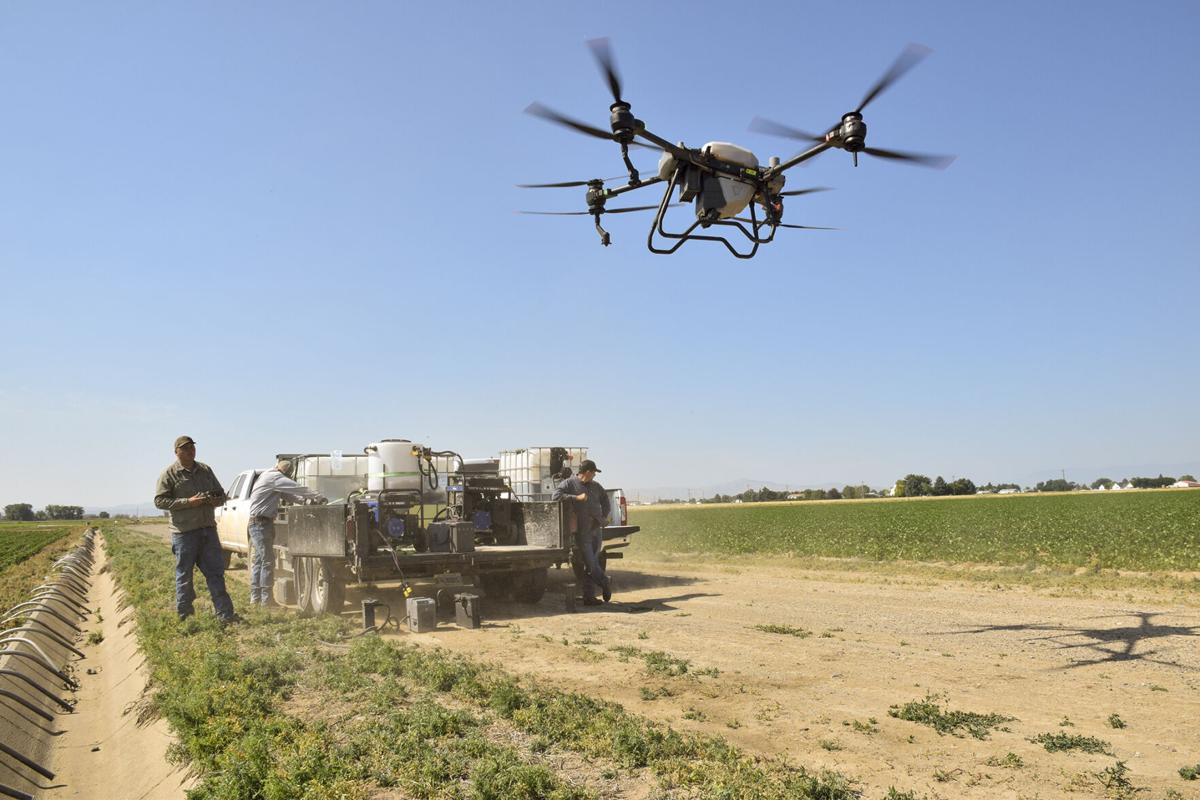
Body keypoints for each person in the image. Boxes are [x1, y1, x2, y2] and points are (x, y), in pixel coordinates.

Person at [153, 436, 238, 623]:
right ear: (176, 452)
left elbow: (221, 493)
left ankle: (225, 615)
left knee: (216, 573)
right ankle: (185, 617)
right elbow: (159, 501)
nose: (190, 451)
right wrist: (188, 502)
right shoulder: (169, 474)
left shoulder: (205, 470)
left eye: (192, 447)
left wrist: (216, 499)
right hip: (184, 533)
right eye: (185, 448)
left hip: (207, 529)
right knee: (184, 575)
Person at [246, 459, 325, 607]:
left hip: (260, 523)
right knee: (268, 561)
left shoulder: (268, 477)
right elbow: (297, 488)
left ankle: (255, 598)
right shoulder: (275, 477)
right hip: (261, 524)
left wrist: (306, 501)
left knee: (259, 561)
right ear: (287, 473)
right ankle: (266, 600)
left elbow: (289, 496)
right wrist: (318, 496)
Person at [554, 459, 611, 605]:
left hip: (596, 529)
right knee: (591, 563)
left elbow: (605, 500)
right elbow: (556, 496)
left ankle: (589, 597)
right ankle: (604, 581)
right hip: (582, 531)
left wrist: (604, 516)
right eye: (593, 473)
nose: (594, 476)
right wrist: (576, 498)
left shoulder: (596, 486)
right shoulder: (569, 483)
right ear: (587, 472)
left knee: (590, 564)